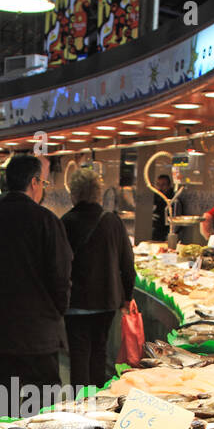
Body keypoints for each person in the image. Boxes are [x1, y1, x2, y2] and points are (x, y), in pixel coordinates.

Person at [0, 154, 72, 418]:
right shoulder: (46, 221)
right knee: (43, 414)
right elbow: (61, 276)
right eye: (43, 182)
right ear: (34, 182)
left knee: (1, 411)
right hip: (38, 334)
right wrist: (56, 312)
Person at [61, 167, 135, 389]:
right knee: (99, 352)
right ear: (98, 192)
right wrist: (127, 297)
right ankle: (97, 402)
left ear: (73, 192)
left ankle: (80, 405)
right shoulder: (112, 221)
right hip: (106, 300)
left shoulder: (65, 222)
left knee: (79, 354)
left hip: (75, 302)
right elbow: (127, 263)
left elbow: (58, 264)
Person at [150, 173, 177, 242]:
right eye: (158, 185)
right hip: (153, 233)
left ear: (169, 186)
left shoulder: (173, 201)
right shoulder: (153, 199)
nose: (160, 187)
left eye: (163, 185)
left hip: (166, 235)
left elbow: (176, 223)